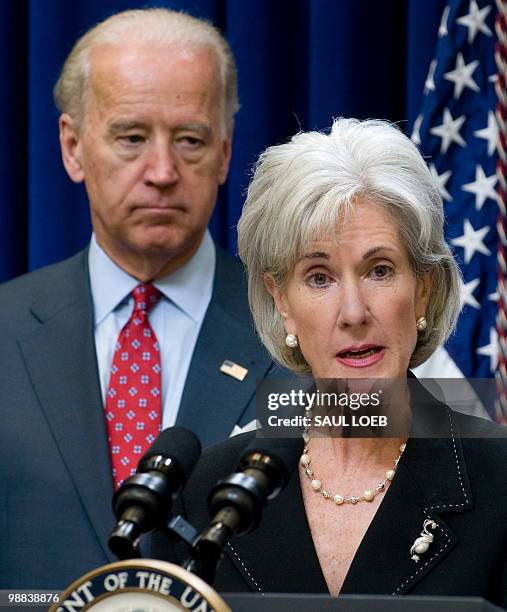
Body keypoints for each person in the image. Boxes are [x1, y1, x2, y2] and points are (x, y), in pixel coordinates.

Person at [153, 118, 507, 607]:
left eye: (379, 270)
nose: (354, 312)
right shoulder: (206, 492)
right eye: (319, 277)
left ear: (423, 288)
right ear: (281, 301)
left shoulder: (499, 478)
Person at [0, 8, 282, 589]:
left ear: (226, 152)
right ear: (73, 147)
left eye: (190, 140)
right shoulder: (6, 331)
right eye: (132, 138)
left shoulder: (299, 337)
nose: (162, 171)